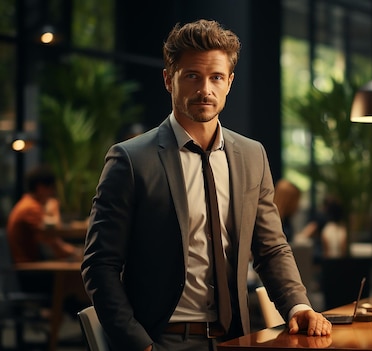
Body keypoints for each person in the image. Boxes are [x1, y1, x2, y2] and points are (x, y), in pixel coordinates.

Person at [81, 19, 331, 351]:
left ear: (229, 82)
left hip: (236, 338)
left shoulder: (251, 155)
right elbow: (100, 265)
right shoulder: (130, 160)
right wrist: (138, 343)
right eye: (192, 76)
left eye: (216, 78)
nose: (205, 90)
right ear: (169, 80)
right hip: (161, 339)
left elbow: (271, 248)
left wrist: (299, 306)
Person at [7, 165, 80, 266]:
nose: (52, 193)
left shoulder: (27, 204)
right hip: (29, 269)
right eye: (51, 188)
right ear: (40, 188)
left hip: (29, 265)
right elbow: (53, 241)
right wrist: (78, 253)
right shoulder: (31, 208)